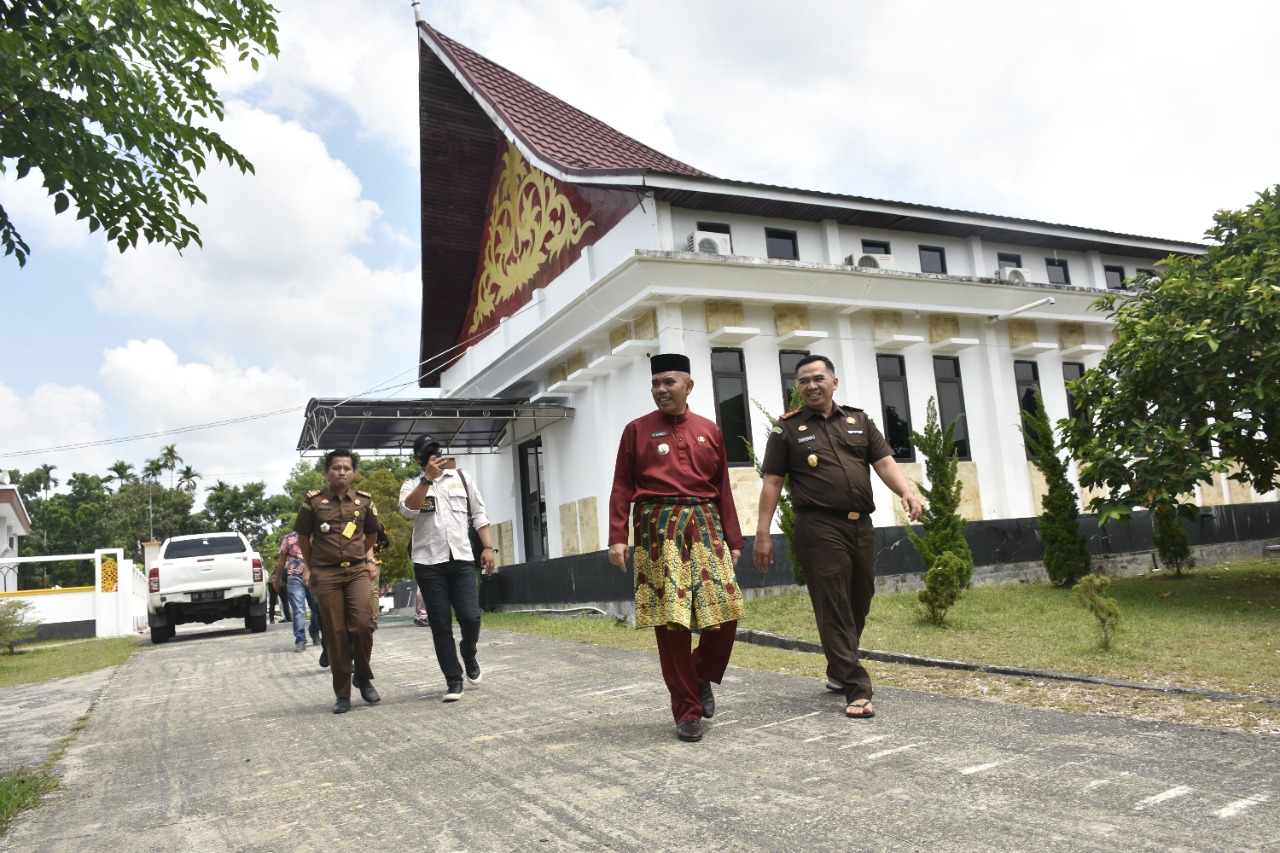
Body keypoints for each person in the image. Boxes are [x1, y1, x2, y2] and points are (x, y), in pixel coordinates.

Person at [754, 354, 923, 720]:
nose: (811, 385)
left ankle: (837, 667)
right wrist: (762, 533)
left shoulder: (859, 421)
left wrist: (906, 492)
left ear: (834, 382)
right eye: (803, 381)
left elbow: (884, 463)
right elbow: (772, 482)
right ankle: (856, 685)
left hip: (861, 525)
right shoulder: (786, 430)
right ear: (798, 388)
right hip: (818, 527)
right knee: (832, 604)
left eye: (818, 378)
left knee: (859, 599)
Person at [608, 353, 748, 743]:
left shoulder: (709, 430)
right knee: (672, 623)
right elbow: (621, 485)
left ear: (688, 386)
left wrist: (733, 539)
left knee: (725, 613)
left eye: (668, 382)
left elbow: (722, 488)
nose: (660, 390)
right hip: (657, 528)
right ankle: (686, 711)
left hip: (705, 524)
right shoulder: (636, 430)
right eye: (655, 384)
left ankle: (700, 674)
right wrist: (618, 536)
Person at [399, 437, 496, 702]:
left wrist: (487, 548)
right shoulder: (411, 485)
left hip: (462, 558)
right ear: (417, 459)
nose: (435, 458)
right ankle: (453, 680)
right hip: (428, 563)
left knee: (471, 616)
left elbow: (478, 514)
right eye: (428, 454)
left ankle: (468, 651)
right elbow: (408, 511)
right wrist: (426, 480)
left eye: (437, 452)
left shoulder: (461, 478)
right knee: (440, 624)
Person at [293, 449, 382, 714]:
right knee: (335, 633)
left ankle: (363, 676)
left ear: (354, 473)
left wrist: (363, 559)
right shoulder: (313, 502)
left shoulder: (364, 502)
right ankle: (342, 693)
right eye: (336, 468)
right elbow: (303, 539)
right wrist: (313, 568)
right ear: (326, 473)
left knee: (364, 624)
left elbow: (372, 534)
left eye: (346, 468)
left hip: (356, 571)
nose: (341, 472)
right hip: (327, 573)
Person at [273, 531, 320, 652]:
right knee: (299, 610)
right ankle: (300, 640)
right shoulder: (289, 538)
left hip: (314, 576)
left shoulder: (317, 535)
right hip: (294, 577)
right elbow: (282, 559)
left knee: (317, 608)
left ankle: (314, 632)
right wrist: (277, 579)